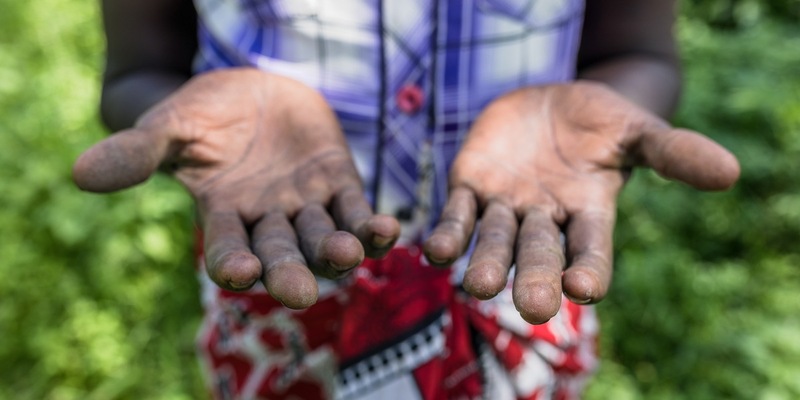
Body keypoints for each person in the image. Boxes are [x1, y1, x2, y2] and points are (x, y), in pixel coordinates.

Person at [73, 0, 740, 398]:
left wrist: (600, 116)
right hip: (278, 283)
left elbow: (637, 51)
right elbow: (137, 71)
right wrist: (202, 124)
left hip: (520, 276)